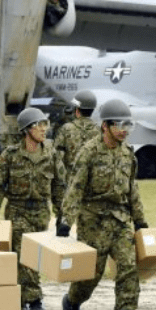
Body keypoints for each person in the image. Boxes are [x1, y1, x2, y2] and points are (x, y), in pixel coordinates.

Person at [60, 98, 148, 310]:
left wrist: (140, 220)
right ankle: (72, 302)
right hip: (93, 221)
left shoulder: (128, 154)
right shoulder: (89, 152)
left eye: (128, 126)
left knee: (129, 267)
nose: (124, 131)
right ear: (105, 126)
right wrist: (66, 220)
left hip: (119, 220)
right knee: (91, 274)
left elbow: (132, 189)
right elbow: (75, 188)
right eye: (119, 125)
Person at [0, 107, 66, 310]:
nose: (44, 129)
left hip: (41, 211)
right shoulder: (10, 156)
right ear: (26, 130)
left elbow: (60, 187)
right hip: (17, 210)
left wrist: (63, 217)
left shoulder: (51, 154)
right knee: (24, 254)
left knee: (33, 258)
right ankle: (35, 301)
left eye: (45, 124)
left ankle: (19, 298)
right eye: (39, 125)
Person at [52, 90, 102, 236]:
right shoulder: (99, 131)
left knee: (62, 228)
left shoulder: (66, 130)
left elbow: (57, 160)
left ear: (77, 110)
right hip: (93, 188)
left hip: (69, 187)